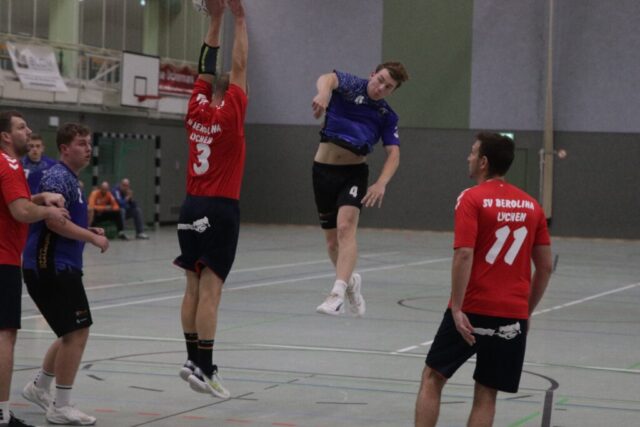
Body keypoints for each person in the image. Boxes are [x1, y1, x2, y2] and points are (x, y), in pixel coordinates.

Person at [414, 133, 553, 427]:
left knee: (432, 377)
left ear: (483, 162)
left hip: (473, 308)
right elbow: (545, 267)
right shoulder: (533, 206)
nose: (469, 157)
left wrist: (457, 307)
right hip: (512, 315)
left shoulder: (471, 198)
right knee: (487, 393)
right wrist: (525, 313)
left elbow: (464, 253)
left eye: (473, 152)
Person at [174, 0, 248, 399]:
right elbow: (239, 66)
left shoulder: (196, 110)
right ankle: (205, 366)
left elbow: (206, 65)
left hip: (190, 206)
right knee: (211, 291)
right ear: (231, 93)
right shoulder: (232, 116)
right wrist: (240, 18)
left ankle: (191, 359)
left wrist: (216, 19)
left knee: (192, 286)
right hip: (220, 208)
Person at [21, 122, 109, 426]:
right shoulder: (58, 176)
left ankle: (40, 387)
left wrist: (87, 229)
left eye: (89, 143)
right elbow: (53, 222)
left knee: (70, 330)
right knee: (77, 331)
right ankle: (61, 405)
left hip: (59, 264)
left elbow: (65, 219)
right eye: (81, 143)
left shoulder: (71, 180)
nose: (88, 149)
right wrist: (92, 237)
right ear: (64, 148)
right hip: (51, 265)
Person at [311, 61, 409, 316]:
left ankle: (336, 295)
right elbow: (327, 78)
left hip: (353, 174)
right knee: (332, 243)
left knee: (346, 228)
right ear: (373, 74)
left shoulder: (386, 115)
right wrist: (324, 94)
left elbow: (394, 154)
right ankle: (351, 281)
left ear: (393, 91)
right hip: (322, 172)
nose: (381, 88)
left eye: (388, 87)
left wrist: (381, 183)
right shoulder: (351, 85)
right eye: (380, 80)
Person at [0, 110, 69, 427]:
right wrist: (47, 212)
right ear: (5, 135)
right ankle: (2, 414)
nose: (28, 132)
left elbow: (15, 202)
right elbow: (20, 211)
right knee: (5, 334)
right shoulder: (11, 165)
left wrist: (40, 196)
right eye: (21, 127)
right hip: (3, 260)